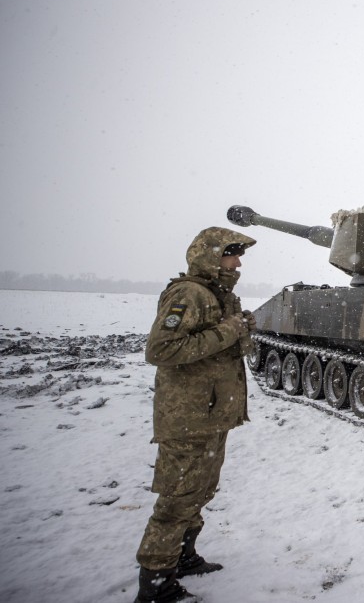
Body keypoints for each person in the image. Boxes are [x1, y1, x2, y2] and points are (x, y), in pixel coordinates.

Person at [134, 227, 257, 603]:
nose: (237, 263)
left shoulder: (220, 296)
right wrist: (229, 329)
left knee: (199, 491)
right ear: (210, 256)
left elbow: (223, 346)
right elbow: (161, 350)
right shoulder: (189, 294)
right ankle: (156, 583)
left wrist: (240, 329)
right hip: (188, 415)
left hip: (211, 413)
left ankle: (184, 557)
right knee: (176, 500)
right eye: (231, 255)